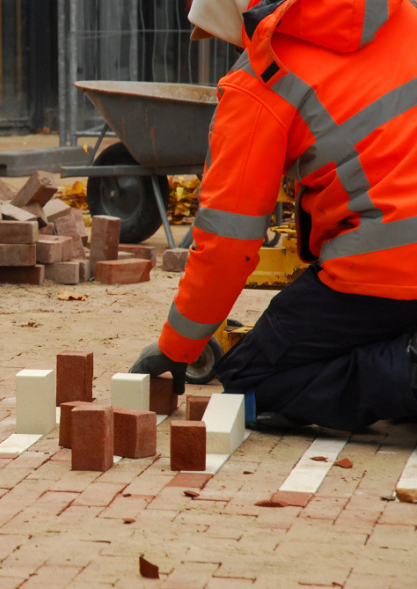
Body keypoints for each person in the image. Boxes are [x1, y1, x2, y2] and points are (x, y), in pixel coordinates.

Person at [130, 0, 417, 432]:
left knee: (251, 379)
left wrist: (177, 348)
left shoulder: (262, 79)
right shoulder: (400, 13)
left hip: (388, 263)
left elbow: (227, 242)